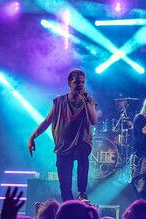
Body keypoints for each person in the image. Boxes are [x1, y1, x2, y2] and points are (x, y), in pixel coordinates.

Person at [28, 69, 98, 202]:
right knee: (65, 189)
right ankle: (68, 207)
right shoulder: (59, 102)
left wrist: (86, 100)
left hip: (81, 142)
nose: (80, 85)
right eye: (77, 82)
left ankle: (82, 193)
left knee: (84, 152)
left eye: (83, 82)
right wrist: (33, 137)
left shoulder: (89, 101)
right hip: (63, 146)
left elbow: (93, 120)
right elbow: (47, 121)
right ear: (69, 83)